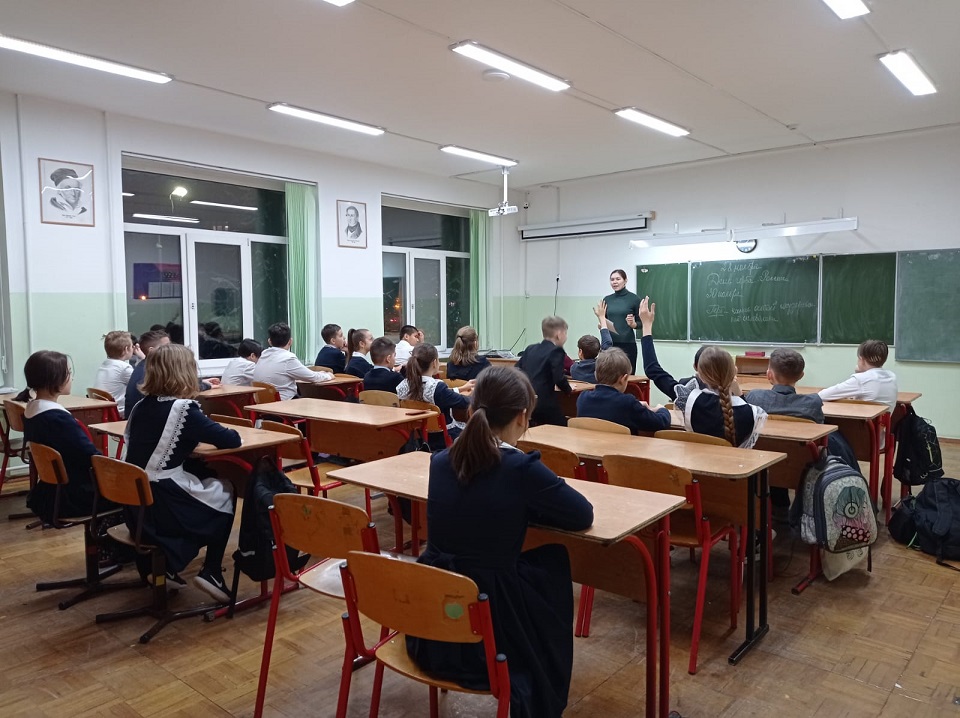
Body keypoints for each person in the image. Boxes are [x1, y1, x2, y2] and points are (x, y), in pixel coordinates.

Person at [406, 366, 594, 717]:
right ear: (522, 416)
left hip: (434, 619)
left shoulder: (441, 461)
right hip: (490, 626)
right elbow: (582, 514)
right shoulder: (520, 468)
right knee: (554, 559)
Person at [124, 344, 242, 601]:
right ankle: (211, 571)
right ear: (185, 373)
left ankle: (164, 565)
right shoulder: (183, 409)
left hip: (136, 508)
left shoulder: (140, 406)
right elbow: (231, 440)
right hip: (163, 505)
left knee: (204, 479)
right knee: (225, 489)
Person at [744, 348, 859, 521]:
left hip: (764, 467)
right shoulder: (812, 403)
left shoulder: (755, 397)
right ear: (801, 375)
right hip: (805, 470)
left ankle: (779, 506)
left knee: (773, 444)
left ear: (769, 374)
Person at [639, 298, 766, 447]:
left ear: (700, 374)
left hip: (693, 460)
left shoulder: (690, 400)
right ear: (733, 372)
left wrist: (646, 326)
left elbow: (652, 369)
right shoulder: (751, 413)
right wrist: (738, 393)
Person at [20, 351, 101, 524]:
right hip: (74, 495)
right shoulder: (56, 419)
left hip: (51, 491)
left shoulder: (32, 411)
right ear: (55, 379)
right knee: (134, 494)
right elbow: (90, 457)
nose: (72, 378)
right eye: (69, 373)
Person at [576, 348, 671, 434]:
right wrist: (662, 409)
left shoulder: (583, 398)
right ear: (623, 379)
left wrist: (637, 406)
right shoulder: (627, 403)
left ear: (595, 375)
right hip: (620, 447)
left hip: (592, 446)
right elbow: (660, 423)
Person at [397, 343, 473, 447]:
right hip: (442, 439)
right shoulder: (437, 388)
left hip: (416, 438)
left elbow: (443, 395)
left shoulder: (402, 385)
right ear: (434, 362)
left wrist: (459, 389)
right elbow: (464, 402)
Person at [252, 323, 333, 400]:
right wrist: (328, 375)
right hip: (285, 403)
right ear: (290, 341)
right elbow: (312, 377)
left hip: (263, 403)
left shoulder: (263, 355)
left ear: (269, 341)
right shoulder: (288, 358)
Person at [517, 316, 572, 427]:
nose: (566, 337)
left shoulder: (530, 349)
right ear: (559, 334)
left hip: (527, 400)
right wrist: (568, 389)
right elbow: (559, 378)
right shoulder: (556, 351)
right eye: (565, 333)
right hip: (544, 403)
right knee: (565, 426)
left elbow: (517, 370)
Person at [819, 340, 898, 411]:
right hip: (884, 421)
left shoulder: (861, 379)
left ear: (861, 359)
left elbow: (823, 396)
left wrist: (859, 374)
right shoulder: (892, 376)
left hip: (862, 422)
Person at [95, 330, 145, 416]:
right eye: (132, 346)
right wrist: (144, 359)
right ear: (126, 349)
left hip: (105, 412)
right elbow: (142, 382)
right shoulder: (124, 368)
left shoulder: (105, 364)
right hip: (119, 412)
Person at [124, 329, 171, 418]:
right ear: (151, 351)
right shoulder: (150, 373)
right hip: (141, 422)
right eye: (166, 347)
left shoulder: (145, 366)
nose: (171, 350)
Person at [602, 269, 642, 373]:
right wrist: (601, 324)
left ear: (625, 280)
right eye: (612, 279)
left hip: (627, 344)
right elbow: (603, 319)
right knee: (609, 375)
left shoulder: (634, 299)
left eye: (618, 279)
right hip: (610, 344)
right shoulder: (607, 299)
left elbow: (642, 323)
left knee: (628, 375)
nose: (614, 282)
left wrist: (633, 324)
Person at [570, 300, 613, 383]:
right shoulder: (602, 368)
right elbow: (607, 344)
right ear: (598, 351)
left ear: (580, 352)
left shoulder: (574, 369)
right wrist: (602, 318)